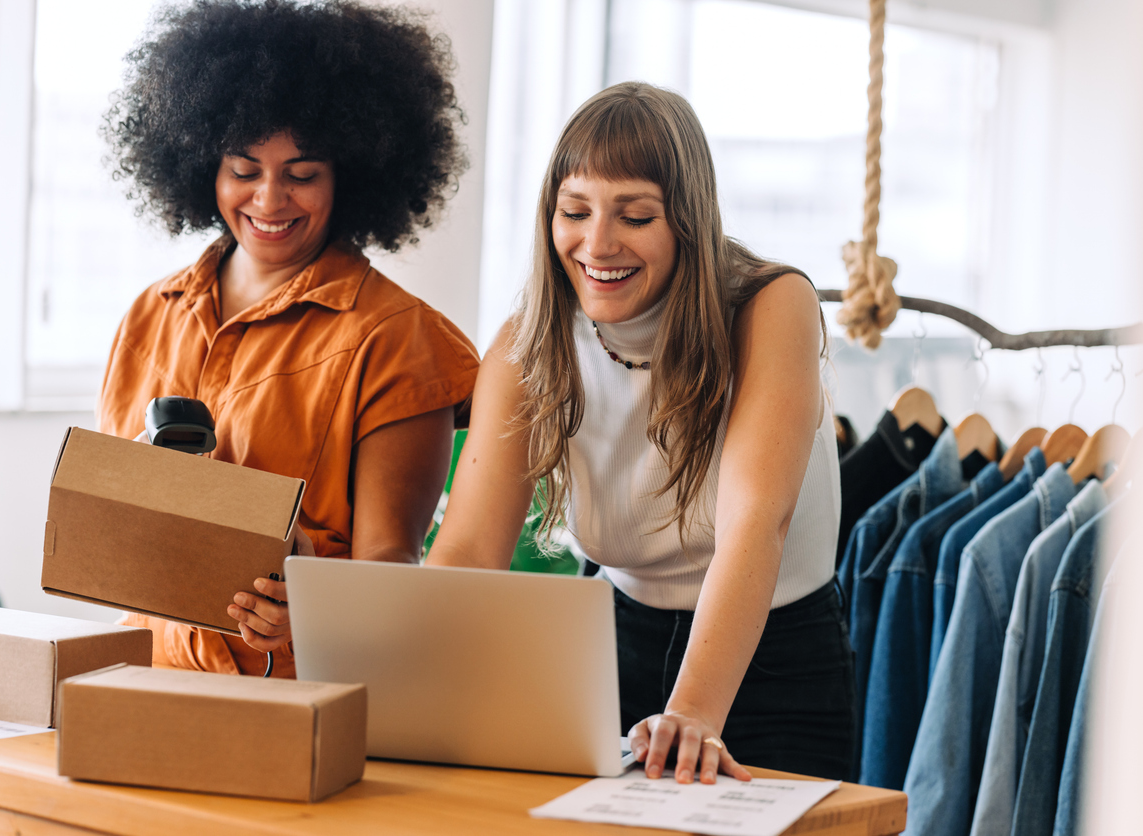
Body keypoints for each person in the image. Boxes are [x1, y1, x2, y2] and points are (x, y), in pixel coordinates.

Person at [426, 82, 853, 783]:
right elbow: (470, 548)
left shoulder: (770, 305)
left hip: (776, 652)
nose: (597, 243)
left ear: (686, 219)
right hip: (617, 635)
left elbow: (755, 527)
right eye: (575, 211)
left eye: (634, 216)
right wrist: (393, 676)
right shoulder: (525, 343)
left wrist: (691, 714)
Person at [97, 0, 479, 677]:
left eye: (301, 174)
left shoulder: (398, 339)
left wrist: (307, 599)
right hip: (146, 680)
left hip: (296, 693)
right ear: (203, 168)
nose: (269, 200)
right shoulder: (148, 314)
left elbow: (389, 573)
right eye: (244, 170)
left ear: (349, 180)